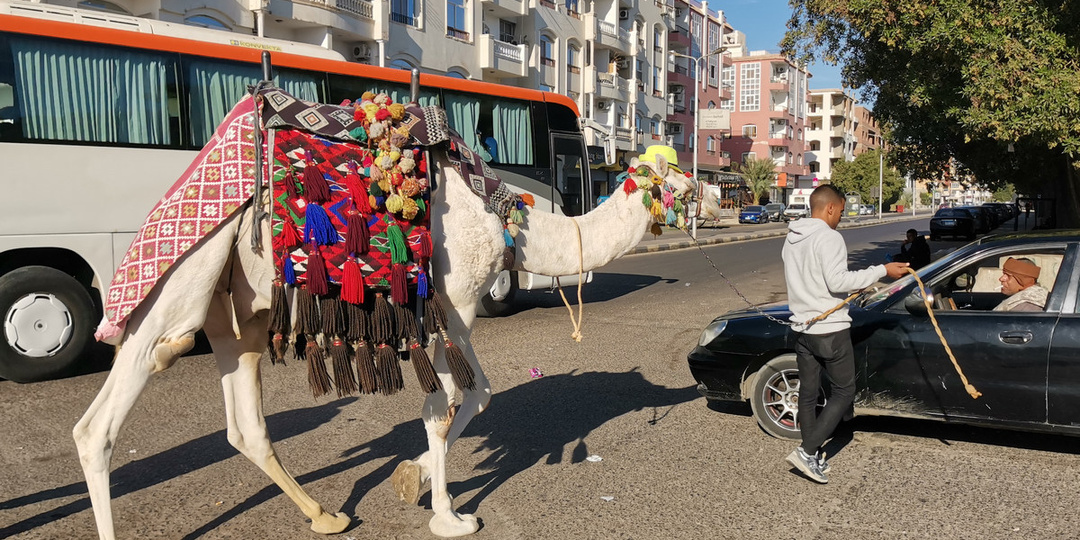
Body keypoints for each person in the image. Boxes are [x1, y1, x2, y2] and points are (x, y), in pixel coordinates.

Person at [781, 184, 908, 484]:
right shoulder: (829, 237)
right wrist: (882, 271)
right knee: (844, 392)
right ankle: (806, 451)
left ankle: (810, 455)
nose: (841, 216)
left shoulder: (792, 237)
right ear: (830, 208)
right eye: (840, 211)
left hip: (802, 328)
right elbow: (838, 281)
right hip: (829, 330)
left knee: (808, 394)